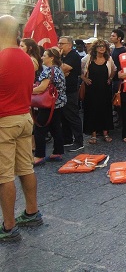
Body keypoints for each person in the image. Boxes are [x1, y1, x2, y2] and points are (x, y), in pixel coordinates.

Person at [0, 15, 43, 242]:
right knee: (26, 167)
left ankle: (8, 227)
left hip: (4, 122)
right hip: (24, 118)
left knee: (4, 175)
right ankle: (32, 212)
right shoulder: (28, 59)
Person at [33, 48, 67, 165]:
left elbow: (42, 88)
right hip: (58, 103)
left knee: (39, 128)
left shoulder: (48, 71)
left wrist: (28, 91)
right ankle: (58, 152)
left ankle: (39, 155)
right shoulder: (58, 70)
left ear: (51, 58)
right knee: (55, 127)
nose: (42, 57)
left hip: (48, 104)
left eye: (44, 55)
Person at [81, 39, 116, 144]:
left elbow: (114, 69)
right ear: (95, 48)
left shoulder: (109, 59)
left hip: (105, 89)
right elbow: (80, 72)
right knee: (92, 111)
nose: (102, 48)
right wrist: (85, 79)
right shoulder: (88, 58)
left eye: (104, 46)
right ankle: (93, 135)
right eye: (99, 46)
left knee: (105, 110)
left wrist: (110, 79)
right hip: (91, 89)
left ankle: (105, 133)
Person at [58, 36, 83, 151]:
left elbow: (63, 68)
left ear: (69, 45)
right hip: (63, 90)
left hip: (71, 90)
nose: (59, 46)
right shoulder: (64, 56)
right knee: (64, 116)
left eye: (61, 43)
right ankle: (67, 139)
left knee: (72, 115)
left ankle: (79, 141)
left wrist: (57, 60)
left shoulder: (73, 55)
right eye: (59, 43)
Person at [110, 30, 126, 127]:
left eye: (113, 36)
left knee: (120, 101)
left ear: (119, 38)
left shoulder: (123, 51)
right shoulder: (114, 50)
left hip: (120, 79)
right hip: (114, 79)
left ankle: (122, 120)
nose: (111, 37)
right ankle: (119, 119)